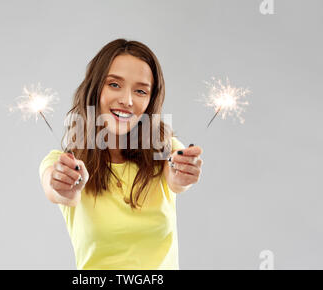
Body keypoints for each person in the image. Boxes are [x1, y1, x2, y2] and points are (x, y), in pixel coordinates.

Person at [39, 38, 203, 270]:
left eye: (140, 91)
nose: (127, 101)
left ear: (150, 100)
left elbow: (176, 178)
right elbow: (57, 189)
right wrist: (63, 184)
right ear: (95, 88)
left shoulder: (164, 148)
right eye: (114, 85)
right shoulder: (64, 163)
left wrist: (183, 174)